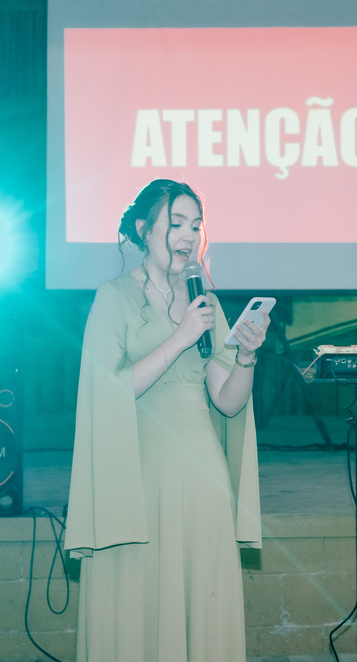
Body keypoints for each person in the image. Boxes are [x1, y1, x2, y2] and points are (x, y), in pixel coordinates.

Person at [64, 179, 267, 662]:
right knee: (137, 607)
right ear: (144, 229)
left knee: (201, 605)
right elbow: (108, 390)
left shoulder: (204, 301)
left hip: (202, 480)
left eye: (196, 225)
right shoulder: (113, 297)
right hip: (137, 478)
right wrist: (179, 337)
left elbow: (227, 402)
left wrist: (247, 357)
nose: (188, 236)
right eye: (176, 223)